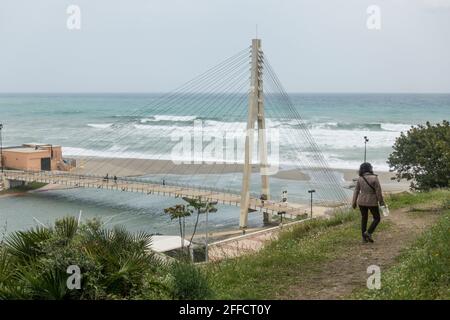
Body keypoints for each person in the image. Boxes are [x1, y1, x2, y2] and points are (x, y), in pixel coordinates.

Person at [352, 162, 385, 243]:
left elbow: (356, 191)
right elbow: (378, 192)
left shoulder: (360, 178)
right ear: (370, 168)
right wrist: (381, 202)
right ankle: (368, 233)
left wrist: (354, 202)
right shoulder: (374, 178)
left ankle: (364, 238)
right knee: (377, 218)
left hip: (361, 202)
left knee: (364, 218)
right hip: (372, 201)